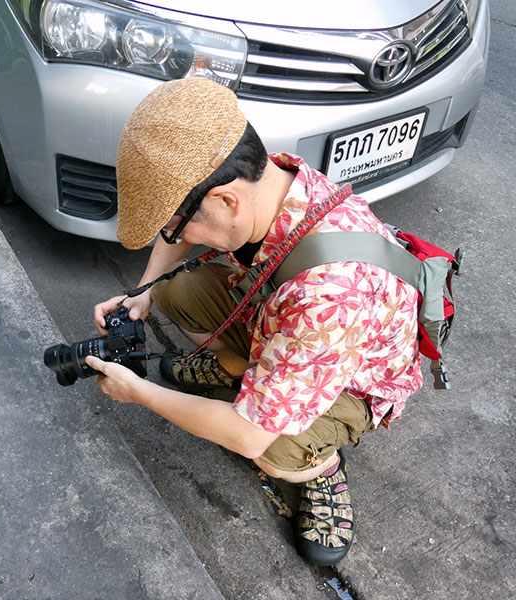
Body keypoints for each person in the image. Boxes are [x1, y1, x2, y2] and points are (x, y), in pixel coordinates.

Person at [86, 76, 423, 566]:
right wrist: (143, 292)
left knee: (270, 450)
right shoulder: (272, 181)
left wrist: (140, 393)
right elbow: (183, 216)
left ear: (226, 201)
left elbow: (249, 435)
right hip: (291, 326)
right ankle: (245, 370)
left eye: (177, 226)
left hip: (353, 380)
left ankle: (322, 465)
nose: (174, 235)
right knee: (175, 289)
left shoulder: (327, 295)